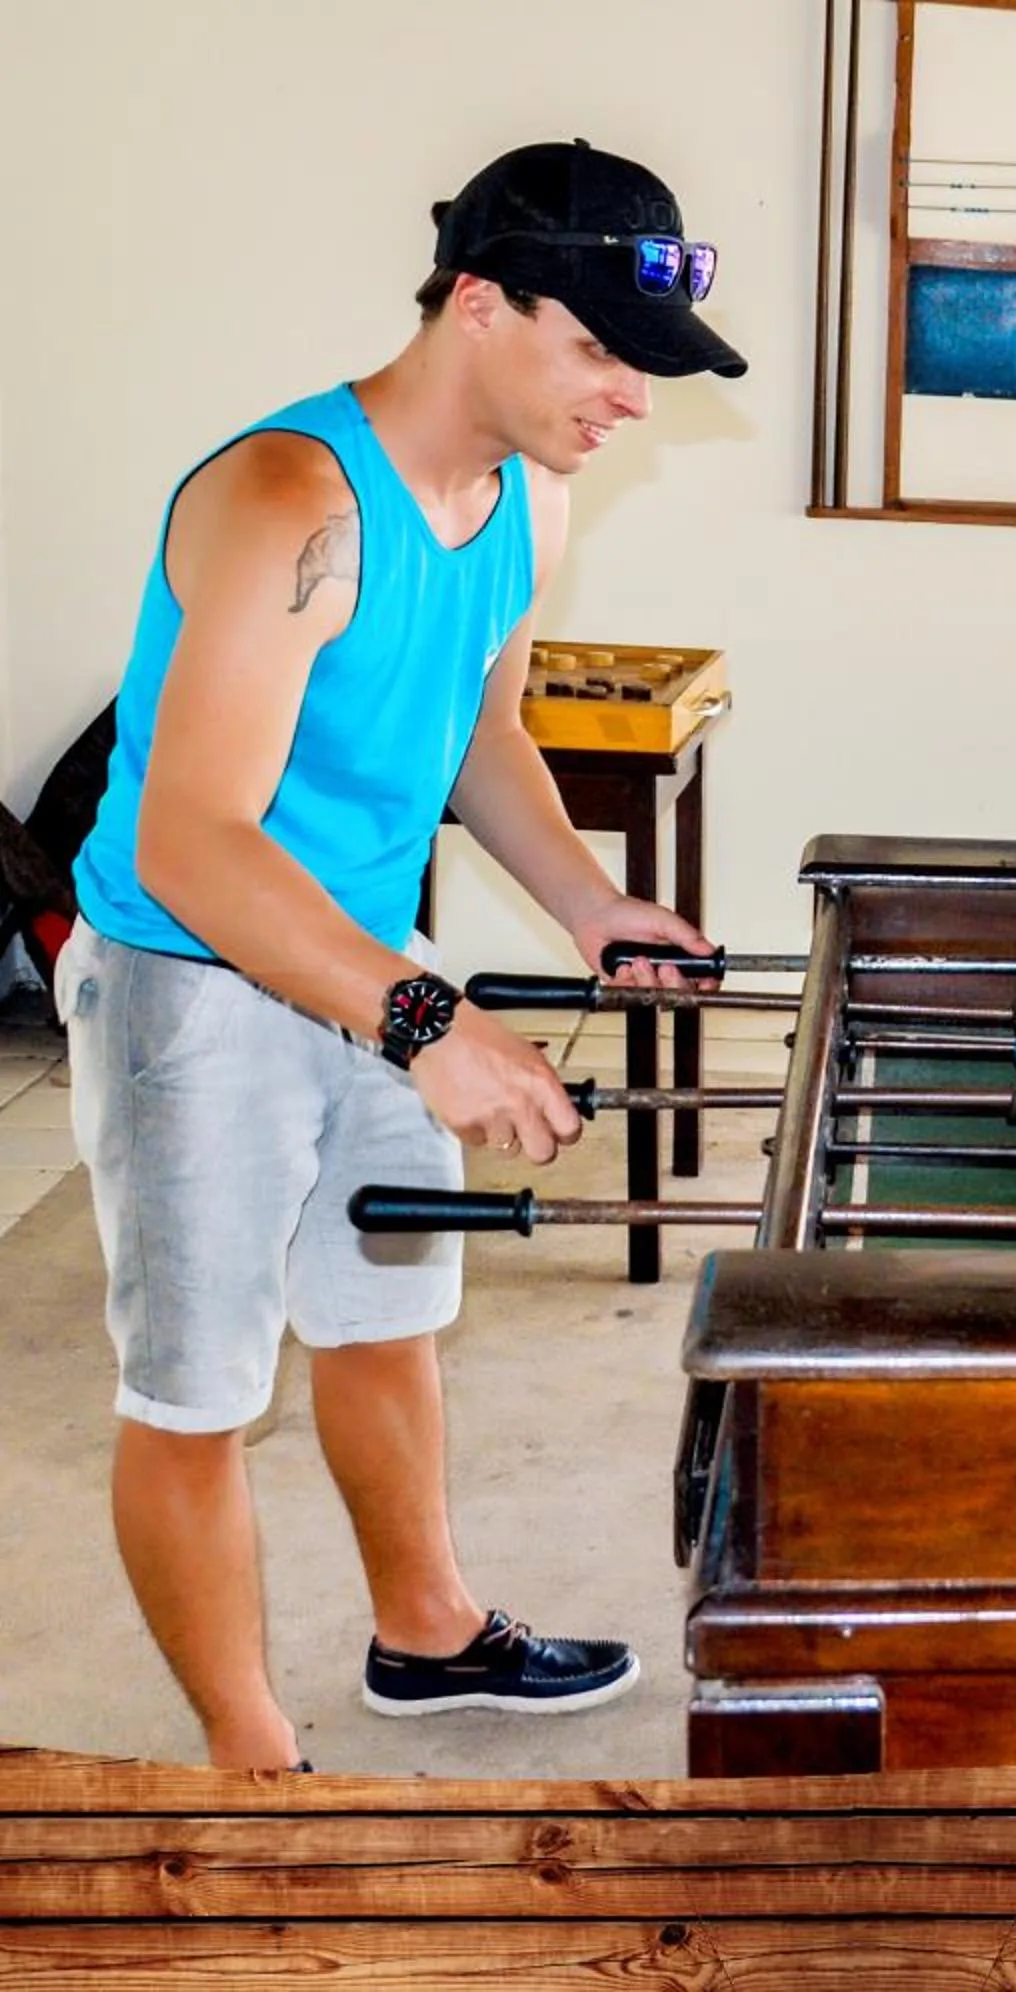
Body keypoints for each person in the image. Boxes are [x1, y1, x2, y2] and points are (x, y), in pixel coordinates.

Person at [56, 139, 745, 1770]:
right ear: (480, 307)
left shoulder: (527, 500)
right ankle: (252, 1762)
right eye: (599, 352)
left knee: (380, 1321)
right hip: (190, 982)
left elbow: (481, 734)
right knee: (196, 1394)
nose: (632, 398)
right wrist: (426, 1016)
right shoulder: (287, 497)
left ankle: (428, 1639)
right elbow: (193, 843)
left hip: (366, 959)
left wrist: (587, 903)